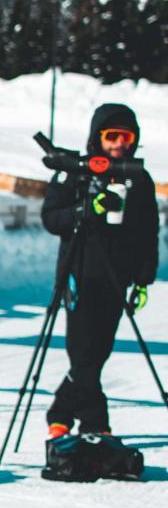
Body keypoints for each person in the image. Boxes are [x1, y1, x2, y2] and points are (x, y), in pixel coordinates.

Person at [42, 103, 159, 439]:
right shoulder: (75, 172)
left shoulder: (139, 179)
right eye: (112, 136)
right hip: (79, 275)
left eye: (127, 136)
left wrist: (143, 278)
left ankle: (61, 410)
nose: (119, 143)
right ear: (97, 138)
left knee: (97, 353)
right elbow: (51, 219)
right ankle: (96, 424)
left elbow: (148, 231)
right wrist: (84, 210)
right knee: (82, 352)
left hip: (116, 278)